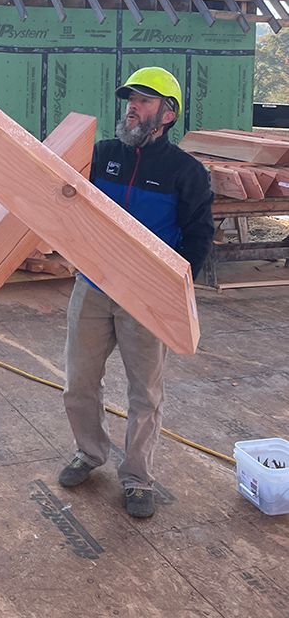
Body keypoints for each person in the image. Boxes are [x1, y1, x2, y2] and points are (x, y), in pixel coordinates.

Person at [58, 66, 214, 518]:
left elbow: (198, 236)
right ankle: (89, 453)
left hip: (145, 297)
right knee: (79, 382)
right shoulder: (102, 153)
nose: (132, 107)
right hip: (92, 287)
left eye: (144, 100)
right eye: (131, 99)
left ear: (167, 114)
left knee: (145, 393)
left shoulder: (185, 172)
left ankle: (138, 478)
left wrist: (172, 291)